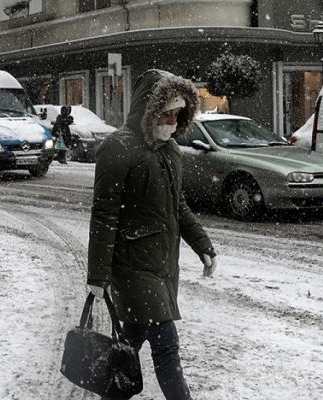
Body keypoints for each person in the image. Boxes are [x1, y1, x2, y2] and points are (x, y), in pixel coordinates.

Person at [86, 69, 217, 400]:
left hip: (161, 267)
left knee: (130, 339)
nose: (172, 121)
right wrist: (98, 275)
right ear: (147, 109)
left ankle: (111, 395)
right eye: (165, 113)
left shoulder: (170, 151)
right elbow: (104, 216)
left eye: (177, 114)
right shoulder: (118, 148)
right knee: (166, 345)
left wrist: (202, 245)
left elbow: (179, 207)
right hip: (131, 268)